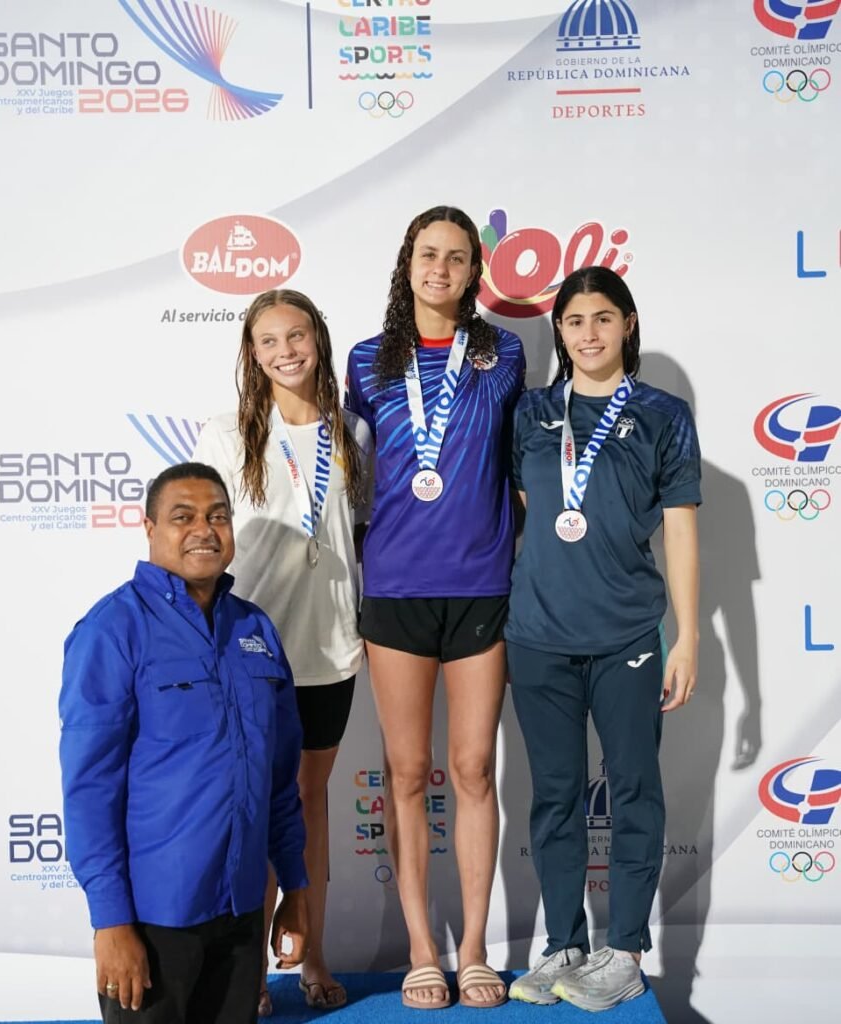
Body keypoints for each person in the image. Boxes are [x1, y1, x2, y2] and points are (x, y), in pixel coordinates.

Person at [505, 266, 701, 1012]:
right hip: (538, 634)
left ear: (627, 324)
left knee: (633, 790)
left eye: (602, 318)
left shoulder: (663, 414)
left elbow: (679, 532)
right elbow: (532, 511)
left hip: (627, 634)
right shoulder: (531, 412)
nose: (588, 334)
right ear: (558, 331)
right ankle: (564, 944)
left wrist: (687, 637)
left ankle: (623, 952)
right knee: (554, 795)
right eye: (574, 320)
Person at [345, 205, 525, 1009]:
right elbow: (347, 470)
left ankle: (477, 947)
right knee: (409, 772)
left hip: (480, 583)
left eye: (456, 257)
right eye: (428, 254)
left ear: (473, 272)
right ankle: (423, 949)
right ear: (406, 263)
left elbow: (515, 461)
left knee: (474, 768)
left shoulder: (502, 353)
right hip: (394, 586)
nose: (440, 268)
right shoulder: (364, 360)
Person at [59, 463, 309, 1023]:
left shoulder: (256, 630)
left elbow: (279, 779)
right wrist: (111, 922)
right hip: (152, 920)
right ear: (149, 528)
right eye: (183, 517)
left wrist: (294, 887)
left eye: (218, 516)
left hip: (242, 913)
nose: (204, 530)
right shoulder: (111, 630)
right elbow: (90, 790)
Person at [193, 289, 372, 1014]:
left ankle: (313, 955)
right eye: (268, 341)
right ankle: (250, 975)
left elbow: (361, 534)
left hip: (329, 647)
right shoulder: (225, 435)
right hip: (251, 651)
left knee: (308, 803)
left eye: (295, 336)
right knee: (252, 809)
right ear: (252, 353)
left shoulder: (352, 432)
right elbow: (201, 541)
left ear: (317, 340)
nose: (284, 351)